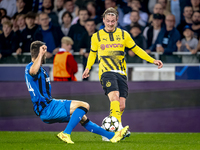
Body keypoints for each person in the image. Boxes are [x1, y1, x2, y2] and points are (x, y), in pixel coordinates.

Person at [82, 7, 163, 141]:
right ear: (103, 20)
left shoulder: (124, 35)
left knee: (121, 105)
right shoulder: (96, 36)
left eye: (112, 21)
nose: (110, 23)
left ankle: (108, 132)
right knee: (114, 97)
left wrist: (152, 60)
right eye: (107, 21)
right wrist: (88, 67)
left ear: (117, 20)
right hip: (106, 72)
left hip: (121, 73)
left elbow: (136, 49)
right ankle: (117, 130)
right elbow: (92, 53)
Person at [25, 40, 129, 144]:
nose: (46, 54)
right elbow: (33, 71)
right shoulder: (31, 67)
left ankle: (112, 136)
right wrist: (40, 54)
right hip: (47, 108)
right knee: (84, 105)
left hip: (48, 106)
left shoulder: (40, 69)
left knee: (82, 117)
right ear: (39, 52)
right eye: (44, 51)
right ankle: (66, 133)